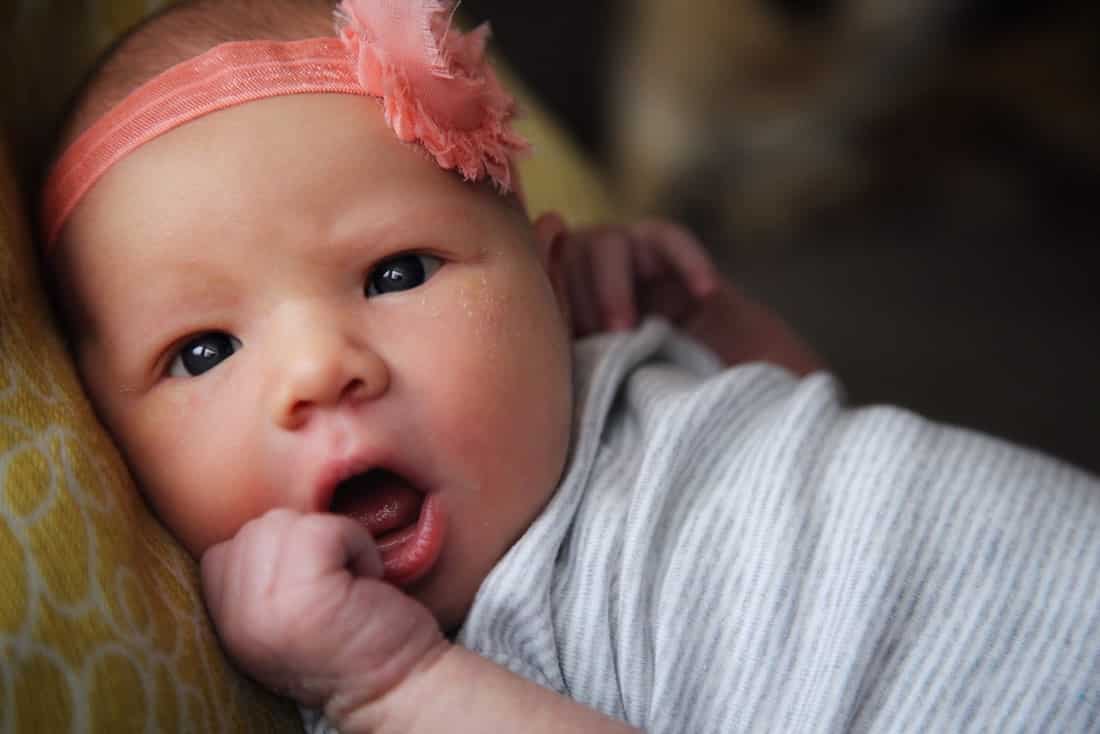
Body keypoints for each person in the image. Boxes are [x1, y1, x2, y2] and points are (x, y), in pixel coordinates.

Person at [39, 1, 1100, 732]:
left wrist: (707, 323)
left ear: (547, 281)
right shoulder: (436, 664)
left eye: (397, 272)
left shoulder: (601, 370)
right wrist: (393, 686)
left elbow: (821, 439)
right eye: (204, 351)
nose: (320, 367)